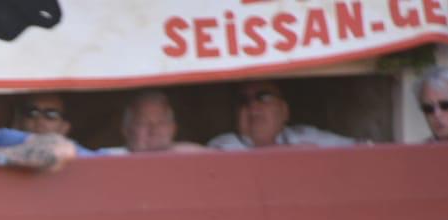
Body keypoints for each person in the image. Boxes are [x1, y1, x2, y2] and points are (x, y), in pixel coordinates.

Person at [208, 81, 355, 150]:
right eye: (243, 101)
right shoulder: (224, 145)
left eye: (263, 97)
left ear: (284, 111)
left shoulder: (305, 135)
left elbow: (364, 148)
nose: (252, 106)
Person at [110, 90, 206, 154]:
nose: (154, 131)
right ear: (125, 130)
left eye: (161, 123)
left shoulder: (192, 156)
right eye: (143, 123)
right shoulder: (109, 158)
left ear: (173, 128)